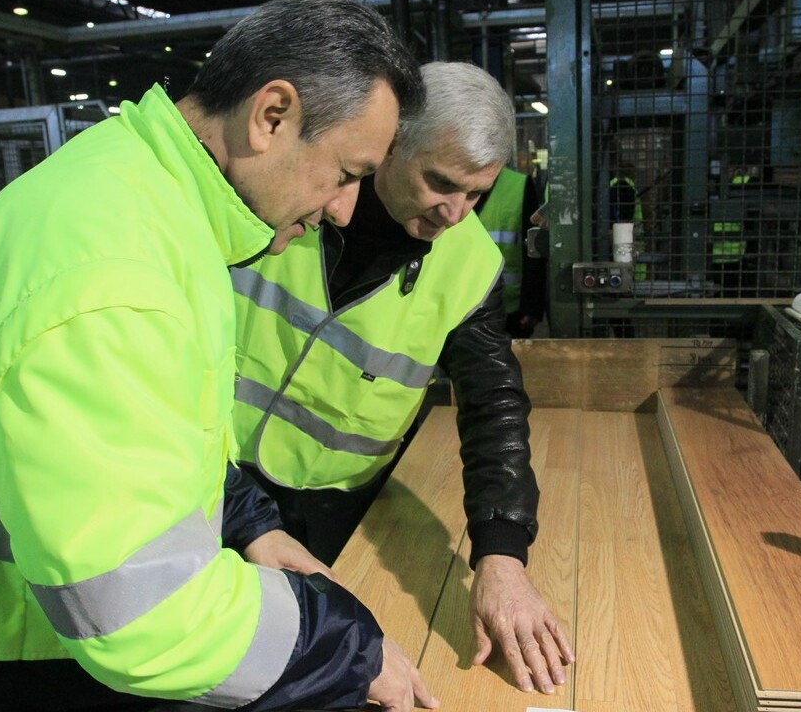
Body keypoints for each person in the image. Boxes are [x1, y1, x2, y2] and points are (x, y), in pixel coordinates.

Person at [0, 0, 435, 711]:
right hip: (1, 660)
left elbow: (146, 435)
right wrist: (347, 649)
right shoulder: (117, 276)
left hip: (4, 627)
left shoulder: (139, 193)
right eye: (348, 173)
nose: (344, 210)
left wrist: (246, 523)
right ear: (271, 115)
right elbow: (141, 615)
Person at [231, 61, 575, 697]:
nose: (456, 212)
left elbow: (493, 401)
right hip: (213, 480)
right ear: (391, 143)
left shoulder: (470, 263)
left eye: (476, 194)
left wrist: (501, 553)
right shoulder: (290, 197)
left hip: (338, 507)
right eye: (440, 183)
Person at [475, 167, 546, 338]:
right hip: (456, 305)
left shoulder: (519, 185)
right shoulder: (450, 180)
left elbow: (534, 252)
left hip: (509, 311)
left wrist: (532, 307)